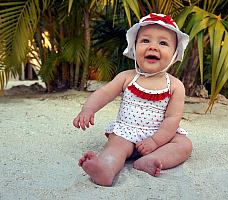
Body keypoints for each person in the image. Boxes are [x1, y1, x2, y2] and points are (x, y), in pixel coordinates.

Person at [73, 13, 193, 186]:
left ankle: (151, 160)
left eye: (163, 43)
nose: (153, 47)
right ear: (134, 48)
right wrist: (88, 109)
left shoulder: (175, 85)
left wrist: (155, 141)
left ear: (174, 56)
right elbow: (104, 93)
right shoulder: (127, 77)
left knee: (184, 145)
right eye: (145, 41)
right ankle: (106, 168)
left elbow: (172, 118)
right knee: (115, 147)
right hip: (127, 133)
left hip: (160, 136)